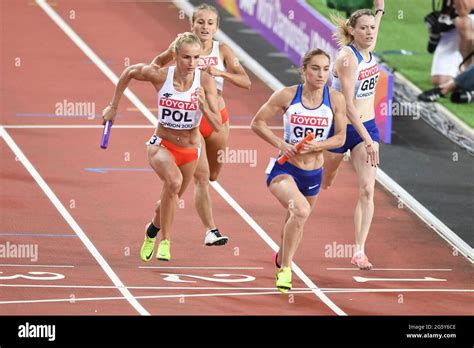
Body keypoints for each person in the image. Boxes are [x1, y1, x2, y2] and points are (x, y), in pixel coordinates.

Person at [102, 32, 221, 262]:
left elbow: (216, 125)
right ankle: (165, 242)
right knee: (174, 182)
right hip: (161, 145)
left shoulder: (204, 81)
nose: (192, 63)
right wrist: (113, 107)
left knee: (169, 199)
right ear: (175, 56)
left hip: (190, 151)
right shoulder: (160, 76)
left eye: (196, 58)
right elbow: (129, 72)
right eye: (186, 57)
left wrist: (204, 105)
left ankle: (151, 232)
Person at [150, 3, 251, 246]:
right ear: (192, 24)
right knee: (201, 178)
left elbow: (246, 81)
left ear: (216, 27)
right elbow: (156, 64)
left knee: (214, 175)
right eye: (200, 22)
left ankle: (157, 216)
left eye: (210, 23)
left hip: (217, 120)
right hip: (189, 123)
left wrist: (220, 73)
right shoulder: (181, 46)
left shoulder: (222, 49)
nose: (205, 27)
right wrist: (169, 88)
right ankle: (210, 230)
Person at [251, 49, 347, 293]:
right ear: (304, 70)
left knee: (296, 220)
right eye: (315, 68)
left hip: (313, 174)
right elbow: (257, 123)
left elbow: (340, 138)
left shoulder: (335, 99)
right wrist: (281, 144)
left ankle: (281, 256)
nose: (321, 74)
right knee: (301, 211)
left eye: (326, 69)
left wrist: (320, 145)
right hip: (285, 170)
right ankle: (285, 268)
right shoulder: (287, 95)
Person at [323, 0, 384, 270]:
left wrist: (379, 8)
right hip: (340, 127)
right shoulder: (347, 59)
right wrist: (369, 140)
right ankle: (329, 174)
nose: (370, 32)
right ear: (353, 30)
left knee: (368, 189)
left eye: (373, 28)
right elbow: (347, 107)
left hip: (366, 128)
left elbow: (376, 23)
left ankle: (359, 250)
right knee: (325, 181)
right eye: (364, 29)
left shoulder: (369, 43)